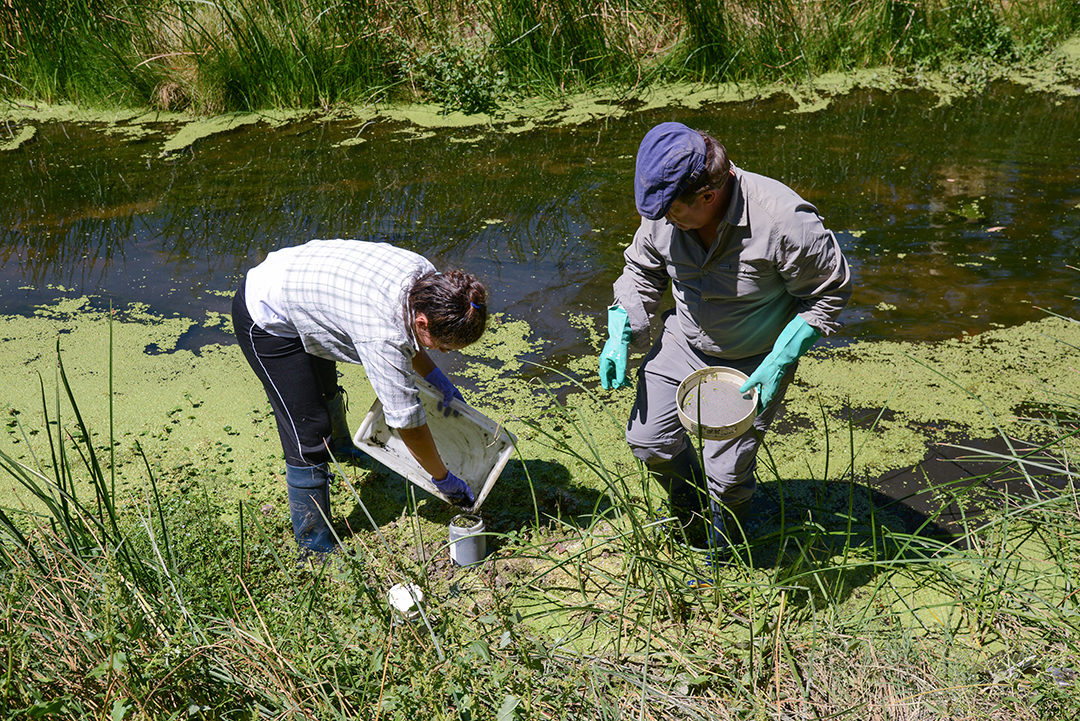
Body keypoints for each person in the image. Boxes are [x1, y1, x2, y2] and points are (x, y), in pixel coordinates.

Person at [598, 121, 852, 550]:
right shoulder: (666, 210)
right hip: (685, 338)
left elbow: (829, 292)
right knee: (649, 441)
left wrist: (783, 355)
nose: (661, 221)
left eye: (671, 212)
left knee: (726, 474)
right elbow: (643, 269)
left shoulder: (783, 221)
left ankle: (726, 552)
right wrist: (621, 326)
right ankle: (690, 510)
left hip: (753, 355)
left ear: (708, 196)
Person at [231, 239, 487, 558]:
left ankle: (341, 448)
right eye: (443, 346)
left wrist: (435, 377)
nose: (444, 352)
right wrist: (442, 478)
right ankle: (314, 546)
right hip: (267, 315)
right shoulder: (384, 334)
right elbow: (407, 423)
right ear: (424, 322)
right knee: (309, 434)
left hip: (315, 298)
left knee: (325, 391)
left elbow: (414, 335)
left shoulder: (428, 280)